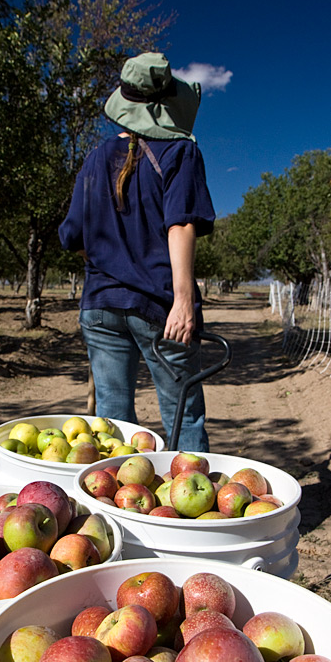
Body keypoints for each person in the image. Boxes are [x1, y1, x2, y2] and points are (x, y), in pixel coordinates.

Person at [58, 51, 216, 452]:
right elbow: (180, 222)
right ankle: (183, 510)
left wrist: (111, 268)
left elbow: (73, 237)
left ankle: (116, 511)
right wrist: (183, 300)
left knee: (112, 425)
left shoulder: (94, 160)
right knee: (183, 413)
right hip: (159, 306)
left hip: (100, 305)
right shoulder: (179, 151)